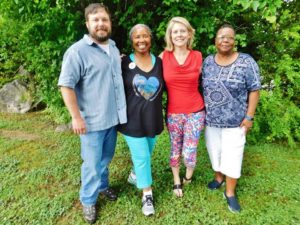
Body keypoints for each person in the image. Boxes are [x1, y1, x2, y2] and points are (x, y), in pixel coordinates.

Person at [58, 3, 127, 224]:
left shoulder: (114, 48)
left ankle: (103, 186)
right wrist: (76, 117)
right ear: (87, 24)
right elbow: (66, 86)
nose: (101, 24)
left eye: (104, 20)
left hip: (112, 119)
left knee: (105, 159)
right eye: (95, 20)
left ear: (110, 23)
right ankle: (88, 200)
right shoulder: (77, 52)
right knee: (91, 163)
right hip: (91, 122)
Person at [202, 24, 261, 213]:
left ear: (234, 41)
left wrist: (249, 116)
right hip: (211, 120)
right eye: (221, 37)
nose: (225, 40)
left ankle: (230, 192)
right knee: (214, 151)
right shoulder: (207, 62)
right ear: (215, 41)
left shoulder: (246, 61)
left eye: (229, 37)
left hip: (236, 122)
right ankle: (218, 177)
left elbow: (254, 89)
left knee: (233, 156)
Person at [118, 24, 164, 216]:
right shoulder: (122, 62)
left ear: (150, 39)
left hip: (152, 119)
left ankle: (135, 175)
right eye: (137, 37)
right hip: (131, 120)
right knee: (142, 156)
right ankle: (147, 194)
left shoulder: (160, 62)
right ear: (132, 40)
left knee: (148, 151)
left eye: (145, 36)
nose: (141, 40)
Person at [160, 17, 206, 198]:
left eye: (182, 31)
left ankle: (188, 176)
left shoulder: (198, 56)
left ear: (189, 33)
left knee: (189, 151)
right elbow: (145, 71)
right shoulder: (163, 57)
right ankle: (177, 180)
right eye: (175, 31)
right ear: (170, 35)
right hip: (173, 113)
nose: (178, 35)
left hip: (195, 111)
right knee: (175, 148)